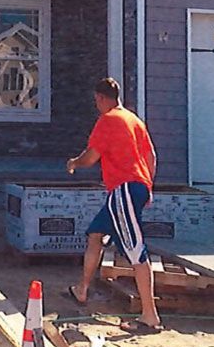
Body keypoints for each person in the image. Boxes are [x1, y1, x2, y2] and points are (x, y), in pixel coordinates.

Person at [65, 77, 162, 333]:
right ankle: (82, 290)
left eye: (95, 100)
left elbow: (91, 157)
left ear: (100, 98)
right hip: (132, 189)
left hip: (124, 190)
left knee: (136, 251)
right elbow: (151, 154)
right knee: (95, 234)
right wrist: (147, 186)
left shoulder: (107, 120)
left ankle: (150, 317)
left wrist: (74, 162)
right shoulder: (133, 120)